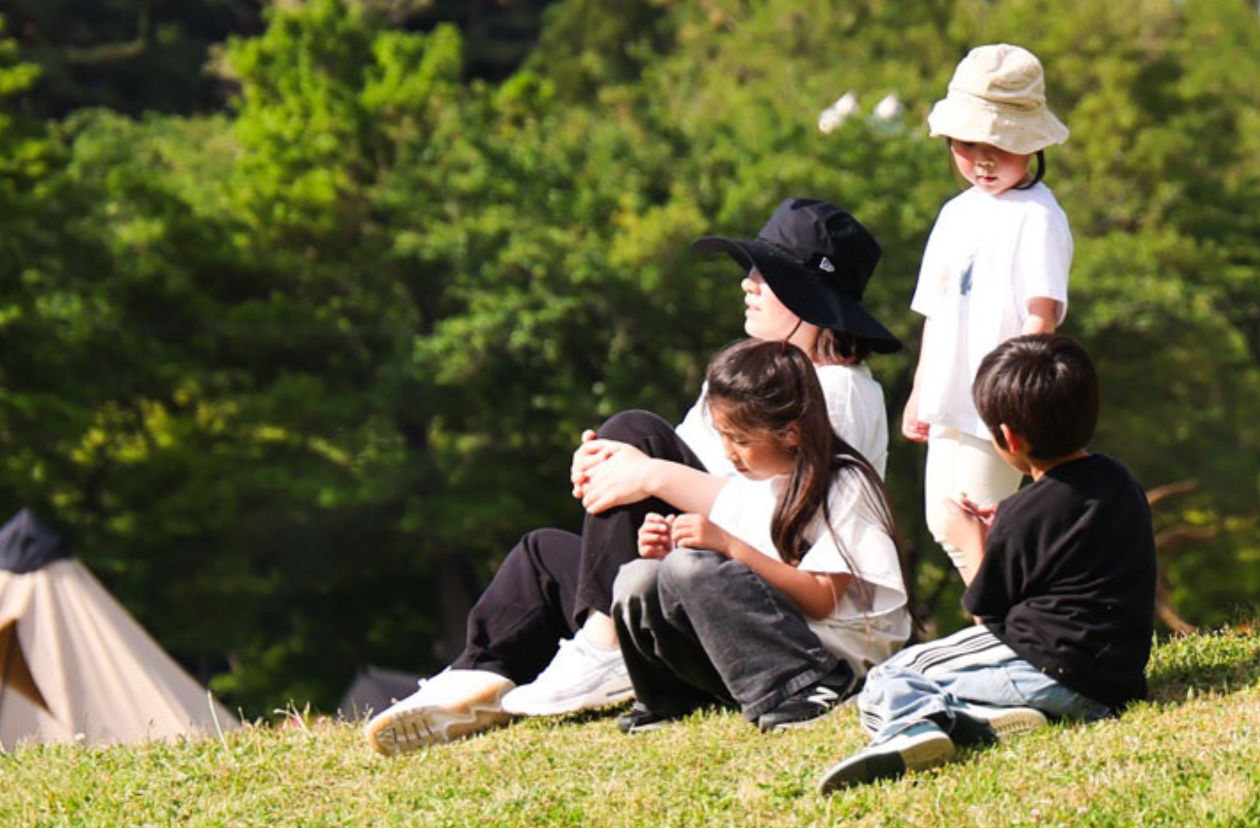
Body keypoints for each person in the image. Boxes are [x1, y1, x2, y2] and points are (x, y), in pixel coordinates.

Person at [365, 198, 902, 755]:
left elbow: (786, 514)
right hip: (706, 560)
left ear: (807, 295)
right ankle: (468, 680)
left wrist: (646, 471)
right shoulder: (751, 372)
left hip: (757, 588)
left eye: (764, 275)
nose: (747, 285)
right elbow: (681, 461)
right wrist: (611, 464)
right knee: (542, 554)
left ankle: (605, 646)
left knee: (634, 431)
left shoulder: (835, 390)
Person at [817, 334, 1156, 794]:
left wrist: (972, 540)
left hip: (1045, 668)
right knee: (952, 672)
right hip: (1113, 683)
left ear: (1008, 437)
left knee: (892, 674)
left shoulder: (1021, 513)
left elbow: (989, 618)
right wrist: (1005, 531)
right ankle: (986, 718)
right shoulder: (1120, 480)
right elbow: (1068, 547)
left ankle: (913, 731)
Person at [610, 338, 910, 733]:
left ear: (790, 433)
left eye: (742, 440)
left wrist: (727, 546)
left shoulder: (846, 483)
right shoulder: (752, 485)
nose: (729, 453)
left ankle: (810, 684)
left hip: (831, 648)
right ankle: (671, 695)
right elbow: (723, 584)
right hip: (765, 643)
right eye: (722, 436)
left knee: (690, 569)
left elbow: (822, 600)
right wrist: (667, 551)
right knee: (639, 577)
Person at [900, 43, 1074, 577]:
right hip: (949, 394)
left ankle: (1008, 635)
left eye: (999, 145)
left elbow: (1039, 318)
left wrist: (1015, 402)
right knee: (943, 520)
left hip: (998, 403)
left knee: (979, 522)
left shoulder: (1038, 217)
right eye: (967, 144)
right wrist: (919, 393)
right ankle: (1003, 633)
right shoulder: (955, 214)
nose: (982, 159)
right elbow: (937, 310)